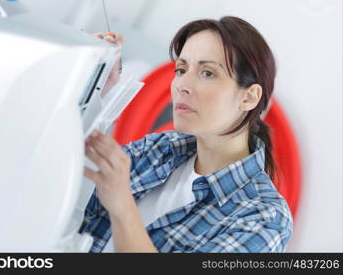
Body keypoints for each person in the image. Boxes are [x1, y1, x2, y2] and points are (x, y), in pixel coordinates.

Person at [79, 16, 293, 253]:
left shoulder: (265, 219)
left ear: (249, 97)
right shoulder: (159, 149)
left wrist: (122, 206)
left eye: (208, 73)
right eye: (181, 69)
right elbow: (67, 169)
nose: (182, 85)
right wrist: (95, 91)